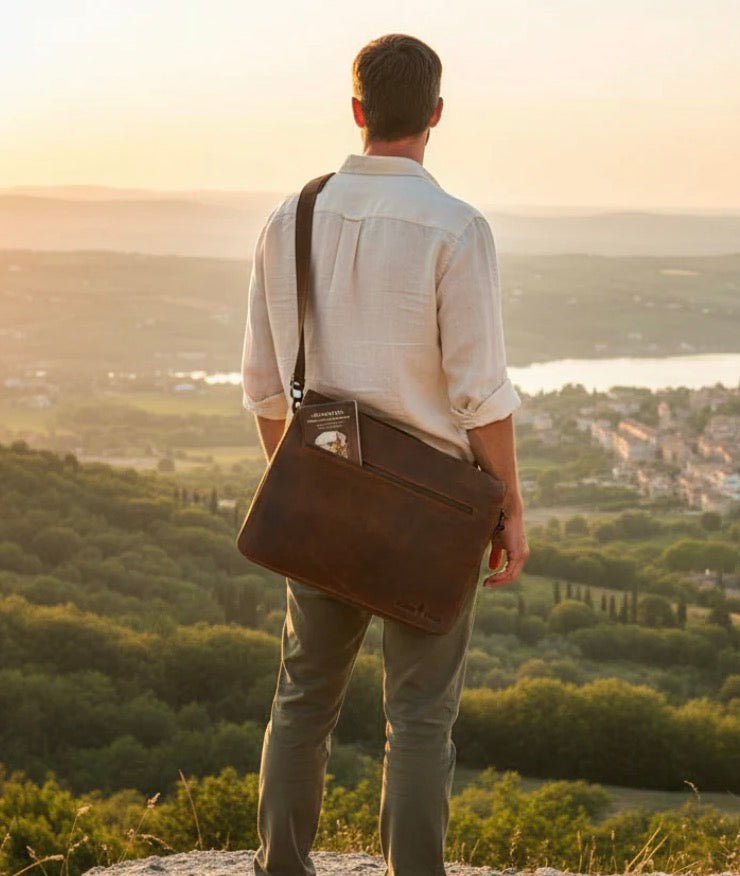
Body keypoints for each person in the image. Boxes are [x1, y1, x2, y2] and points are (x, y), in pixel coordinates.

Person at [241, 33, 528, 876]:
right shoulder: (458, 228)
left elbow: (264, 388)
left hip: (324, 493)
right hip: (431, 517)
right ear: (436, 115)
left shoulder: (288, 217)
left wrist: (297, 491)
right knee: (421, 718)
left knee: (301, 701)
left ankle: (280, 868)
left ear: (357, 110)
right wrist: (509, 505)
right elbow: (480, 394)